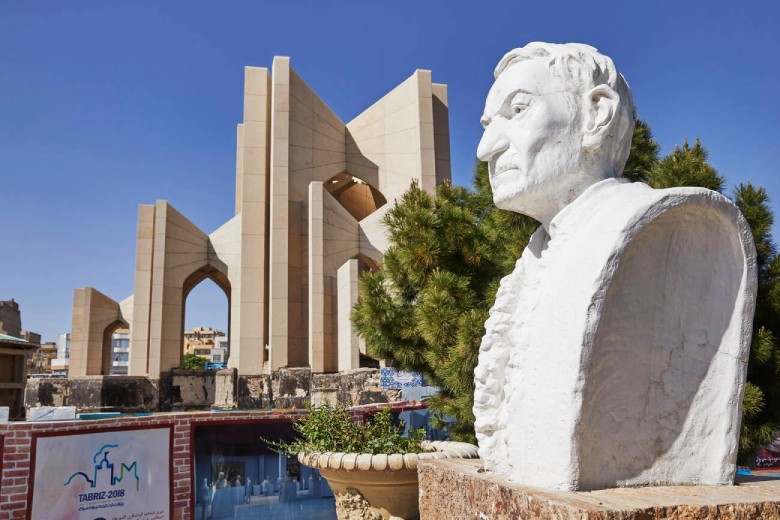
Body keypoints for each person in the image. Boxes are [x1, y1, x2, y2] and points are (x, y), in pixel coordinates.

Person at [473, 42, 755, 491]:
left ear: (596, 115)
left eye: (519, 110)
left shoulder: (679, 224)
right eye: (488, 125)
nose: (486, 148)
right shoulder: (538, 254)